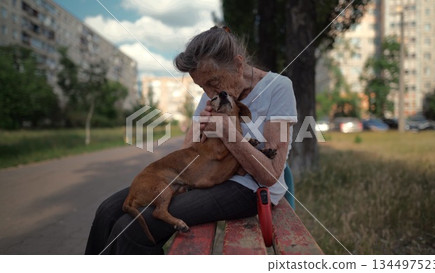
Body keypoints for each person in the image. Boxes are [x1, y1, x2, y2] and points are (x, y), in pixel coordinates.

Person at [84, 26, 297, 255]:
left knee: (131, 228)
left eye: (213, 82)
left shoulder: (278, 88)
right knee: (107, 211)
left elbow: (271, 175)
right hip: (203, 177)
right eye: (201, 87)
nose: (209, 92)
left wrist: (228, 133)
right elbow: (187, 151)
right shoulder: (212, 93)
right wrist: (201, 132)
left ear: (238, 64)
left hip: (248, 189)